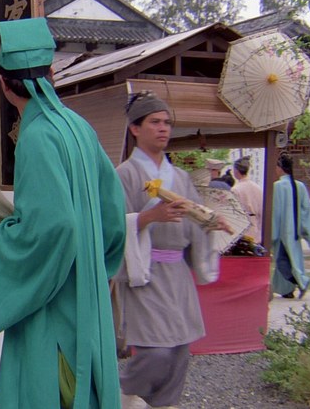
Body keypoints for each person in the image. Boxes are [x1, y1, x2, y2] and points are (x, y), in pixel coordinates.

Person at [0, 17, 126, 409]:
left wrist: (5, 233)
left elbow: (56, 226)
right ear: (52, 73)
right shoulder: (80, 127)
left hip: (53, 299)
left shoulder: (35, 136)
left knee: (50, 391)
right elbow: (114, 213)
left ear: (3, 84)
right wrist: (97, 268)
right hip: (86, 290)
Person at [115, 91, 226, 409]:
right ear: (135, 128)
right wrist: (149, 217)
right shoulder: (124, 174)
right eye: (154, 122)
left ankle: (163, 404)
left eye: (166, 122)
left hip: (177, 273)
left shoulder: (180, 177)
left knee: (178, 352)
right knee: (156, 352)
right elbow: (112, 225)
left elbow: (193, 219)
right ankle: (119, 393)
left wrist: (210, 222)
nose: (163, 128)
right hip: (144, 272)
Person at [271, 152, 310, 299]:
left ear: (280, 168)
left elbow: (275, 212)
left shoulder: (278, 186)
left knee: (282, 261)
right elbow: (306, 210)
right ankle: (287, 290)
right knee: (291, 260)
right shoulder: (299, 186)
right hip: (294, 232)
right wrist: (305, 230)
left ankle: (301, 282)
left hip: (283, 231)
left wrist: (272, 233)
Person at [231, 156, 264, 244]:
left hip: (241, 229)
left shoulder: (236, 190)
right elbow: (262, 211)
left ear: (236, 171)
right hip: (256, 229)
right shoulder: (257, 188)